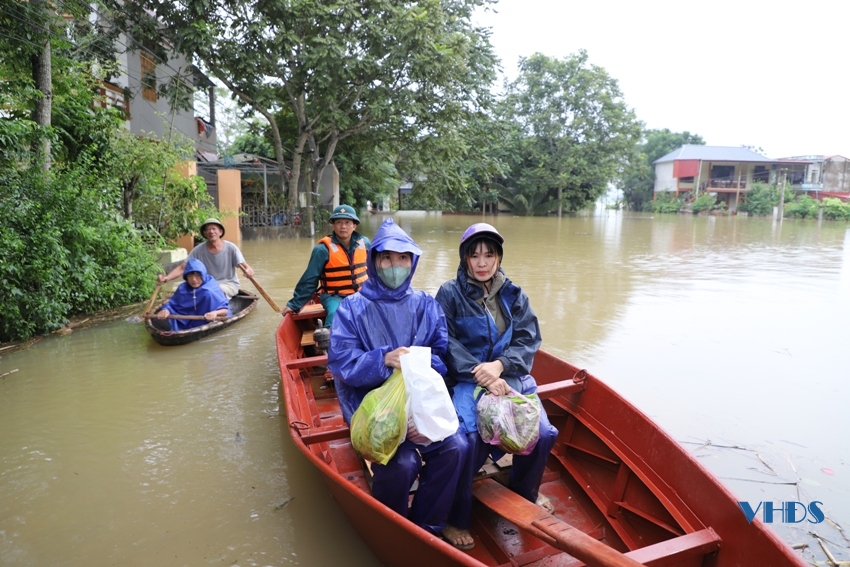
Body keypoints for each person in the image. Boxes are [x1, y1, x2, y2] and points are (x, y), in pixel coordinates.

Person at [328, 218, 465, 537]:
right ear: (375, 262)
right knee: (402, 464)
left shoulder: (426, 305)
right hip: (374, 410)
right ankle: (391, 529)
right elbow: (342, 363)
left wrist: (421, 363)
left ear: (412, 262)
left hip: (418, 406)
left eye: (402, 258)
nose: (394, 265)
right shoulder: (352, 308)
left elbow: (441, 354)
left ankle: (426, 527)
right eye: (387, 258)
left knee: (454, 447)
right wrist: (384, 359)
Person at [434, 222, 558, 551]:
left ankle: (524, 494)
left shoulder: (514, 295)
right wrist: (480, 371)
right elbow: (444, 341)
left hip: (509, 374)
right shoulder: (449, 293)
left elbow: (528, 339)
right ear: (464, 259)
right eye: (474, 255)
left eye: (489, 254)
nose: (482, 262)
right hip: (467, 378)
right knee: (468, 440)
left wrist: (500, 366)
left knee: (542, 433)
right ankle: (456, 516)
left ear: (499, 258)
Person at [282, 205, 370, 330]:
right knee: (336, 313)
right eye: (339, 222)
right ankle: (329, 343)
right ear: (333, 225)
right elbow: (310, 279)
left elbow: (375, 271)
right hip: (334, 296)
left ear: (354, 225)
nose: (343, 226)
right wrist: (294, 304)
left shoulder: (365, 243)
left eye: (347, 222)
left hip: (360, 293)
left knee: (377, 310)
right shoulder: (322, 250)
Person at [157, 218, 254, 300]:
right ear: (204, 233)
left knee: (210, 292)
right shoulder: (198, 250)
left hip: (228, 284)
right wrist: (167, 278)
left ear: (220, 232)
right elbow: (182, 268)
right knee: (182, 290)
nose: (211, 231)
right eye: (208, 229)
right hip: (205, 284)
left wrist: (249, 271)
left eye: (214, 229)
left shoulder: (231, 248)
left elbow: (245, 267)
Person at [156, 258, 232, 331]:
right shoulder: (182, 289)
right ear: (186, 277)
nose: (194, 280)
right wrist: (166, 310)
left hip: (207, 320)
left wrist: (215, 313)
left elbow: (225, 310)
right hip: (187, 322)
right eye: (190, 276)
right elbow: (171, 304)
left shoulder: (210, 290)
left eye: (198, 275)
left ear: (203, 275)